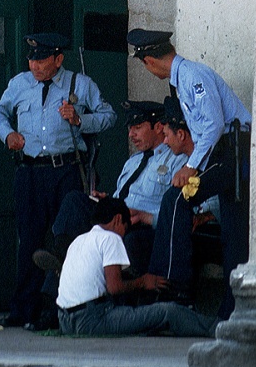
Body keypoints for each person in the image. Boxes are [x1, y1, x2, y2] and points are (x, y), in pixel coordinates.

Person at [0, 30, 116, 329]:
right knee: (29, 241)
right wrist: (7, 134)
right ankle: (23, 309)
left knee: (64, 241)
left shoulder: (80, 84)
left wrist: (79, 120)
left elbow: (109, 116)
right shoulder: (19, 84)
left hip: (66, 170)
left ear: (58, 59)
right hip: (31, 172)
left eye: (42, 60)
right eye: (32, 60)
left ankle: (55, 310)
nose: (35, 66)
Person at [129, 27, 251, 322]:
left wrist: (190, 167)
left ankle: (174, 284)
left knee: (177, 198)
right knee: (232, 236)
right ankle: (229, 309)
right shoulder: (183, 79)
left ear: (149, 61)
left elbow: (212, 126)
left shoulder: (192, 77)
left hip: (231, 153)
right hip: (222, 155)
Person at [44, 100, 188, 278]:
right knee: (75, 200)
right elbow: (122, 196)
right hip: (116, 216)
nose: (131, 135)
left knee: (126, 241)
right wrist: (107, 201)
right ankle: (59, 256)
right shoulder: (132, 162)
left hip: (140, 224)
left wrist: (146, 216)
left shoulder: (177, 160)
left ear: (158, 127)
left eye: (137, 127)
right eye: (129, 129)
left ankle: (57, 278)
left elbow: (179, 210)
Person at [55, 198, 215, 338]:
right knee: (168, 311)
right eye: (125, 228)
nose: (124, 235)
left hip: (65, 321)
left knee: (140, 318)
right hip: (91, 320)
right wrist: (143, 282)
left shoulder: (79, 240)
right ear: (118, 219)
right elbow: (115, 287)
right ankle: (219, 328)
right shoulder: (110, 237)